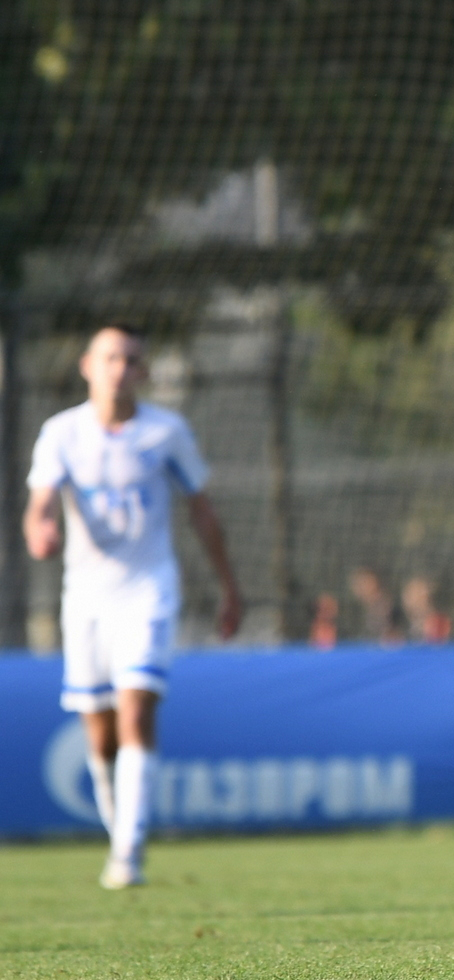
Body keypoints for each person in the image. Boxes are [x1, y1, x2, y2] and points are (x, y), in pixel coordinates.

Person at [22, 323, 243, 889]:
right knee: (99, 735)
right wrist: (40, 529)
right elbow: (41, 502)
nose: (120, 368)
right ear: (87, 365)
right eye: (110, 357)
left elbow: (201, 509)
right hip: (86, 597)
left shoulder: (165, 431)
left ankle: (129, 850)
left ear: (142, 372)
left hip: (148, 588)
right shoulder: (61, 433)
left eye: (131, 360)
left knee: (137, 710)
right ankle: (119, 827)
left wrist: (229, 588)